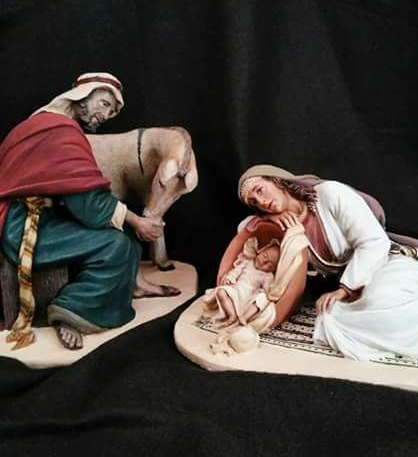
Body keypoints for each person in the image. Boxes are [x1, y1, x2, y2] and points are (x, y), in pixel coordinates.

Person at [0, 72, 178, 351]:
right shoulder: (61, 132)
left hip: (34, 216)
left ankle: (135, 286)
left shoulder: (44, 124)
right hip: (22, 227)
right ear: (82, 96)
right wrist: (136, 220)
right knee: (116, 244)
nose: (105, 115)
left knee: (122, 233)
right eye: (104, 104)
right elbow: (87, 204)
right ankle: (73, 311)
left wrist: (125, 220)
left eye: (112, 111)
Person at [237, 164, 418, 361]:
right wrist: (267, 221)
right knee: (331, 317)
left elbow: (373, 242)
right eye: (254, 202)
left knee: (382, 299)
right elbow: (245, 232)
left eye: (260, 190)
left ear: (277, 181)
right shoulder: (285, 227)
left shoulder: (330, 194)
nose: (262, 201)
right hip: (359, 282)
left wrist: (345, 289)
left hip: (393, 262)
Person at [203, 238, 281, 328]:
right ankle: (232, 314)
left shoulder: (267, 276)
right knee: (221, 291)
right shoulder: (247, 263)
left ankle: (244, 317)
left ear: (273, 270)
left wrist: (263, 292)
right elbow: (235, 272)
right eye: (265, 256)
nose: (264, 262)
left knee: (262, 298)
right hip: (236, 291)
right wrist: (230, 278)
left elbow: (267, 290)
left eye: (269, 265)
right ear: (260, 251)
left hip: (249, 298)